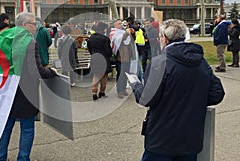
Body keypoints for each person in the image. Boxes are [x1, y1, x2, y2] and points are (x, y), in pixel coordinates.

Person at [134, 19, 225, 161]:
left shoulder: (160, 63)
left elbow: (147, 98)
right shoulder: (201, 62)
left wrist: (136, 85)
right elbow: (216, 93)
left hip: (161, 138)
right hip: (190, 137)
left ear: (165, 38)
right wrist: (194, 99)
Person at [0, 12, 57, 161]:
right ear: (25, 25)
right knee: (27, 128)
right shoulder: (30, 42)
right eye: (34, 24)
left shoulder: (4, 37)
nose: (36, 27)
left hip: (5, 89)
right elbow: (36, 70)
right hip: (25, 92)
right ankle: (23, 158)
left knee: (5, 128)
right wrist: (51, 72)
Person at [87, 22, 112, 101]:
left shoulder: (91, 38)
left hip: (94, 57)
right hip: (104, 58)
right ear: (104, 29)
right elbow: (108, 51)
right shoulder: (105, 39)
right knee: (104, 76)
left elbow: (89, 49)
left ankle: (94, 93)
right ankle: (102, 92)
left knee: (96, 76)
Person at [110, 19, 134, 98]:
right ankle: (119, 90)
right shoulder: (114, 33)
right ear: (115, 25)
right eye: (119, 23)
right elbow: (120, 40)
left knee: (126, 74)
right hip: (120, 57)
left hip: (127, 56)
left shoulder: (123, 32)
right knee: (120, 74)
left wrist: (132, 33)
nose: (121, 25)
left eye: (121, 23)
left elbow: (131, 40)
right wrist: (127, 33)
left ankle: (123, 89)